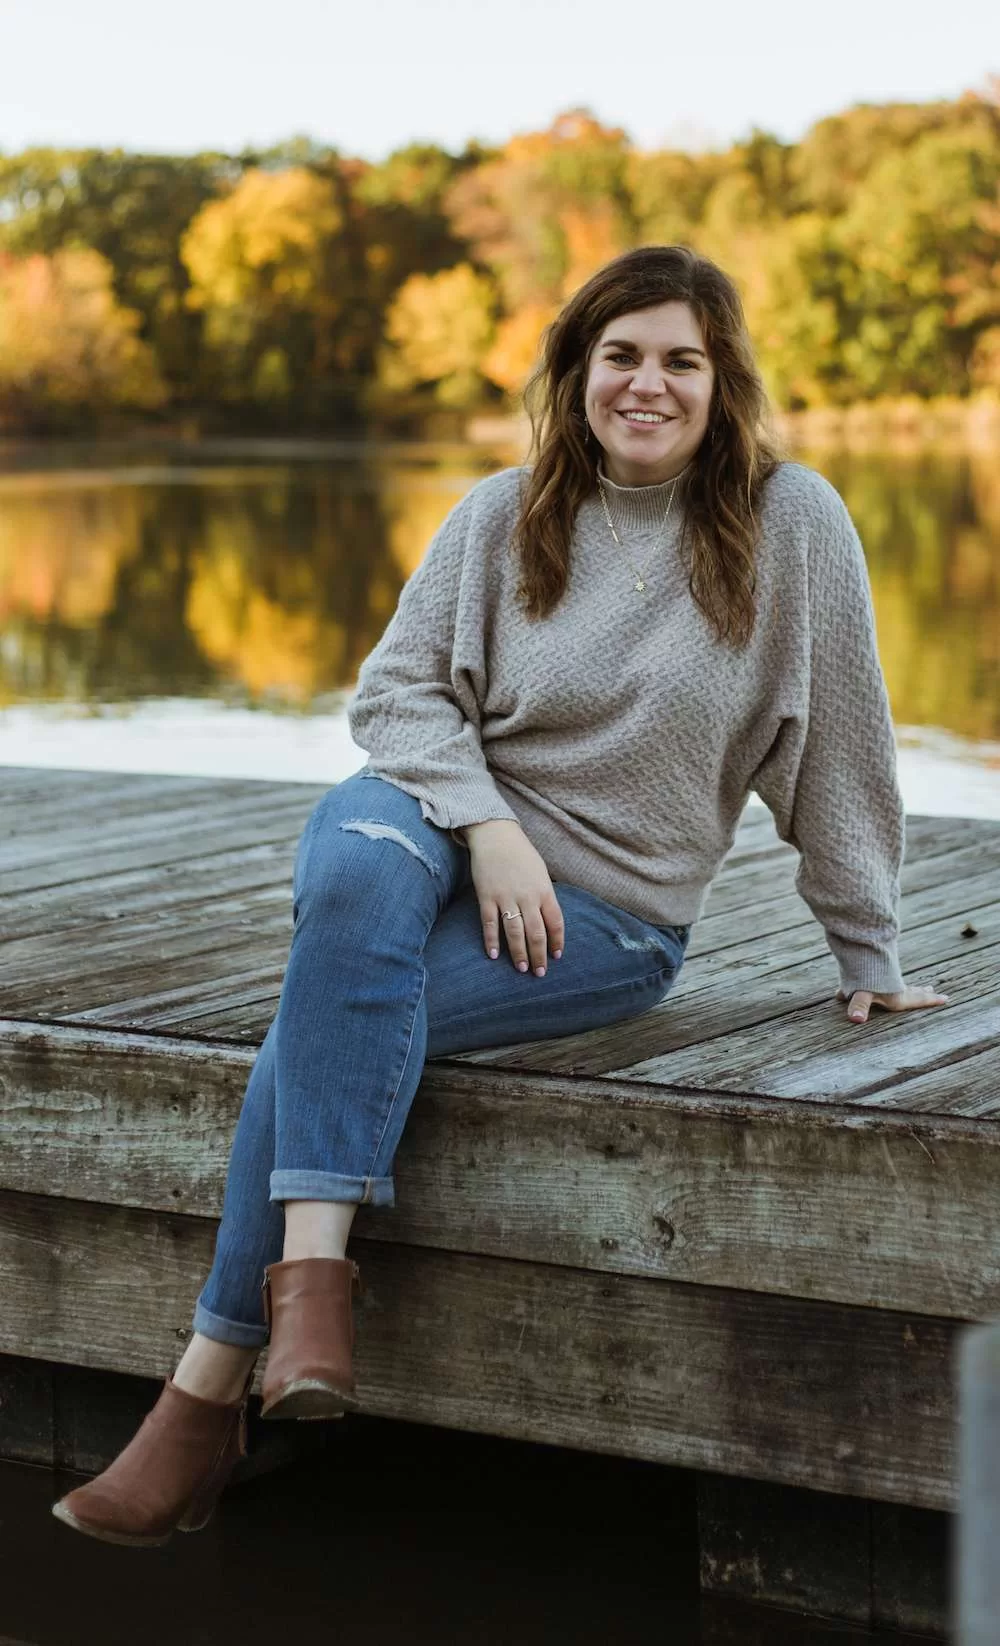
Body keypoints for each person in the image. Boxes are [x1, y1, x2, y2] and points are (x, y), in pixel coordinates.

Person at [52, 243, 948, 1546]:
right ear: (578, 368)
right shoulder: (503, 510)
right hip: (433, 831)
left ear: (722, 379)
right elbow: (396, 695)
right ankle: (308, 1287)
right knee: (355, 859)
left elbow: (843, 748)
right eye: (621, 353)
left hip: (609, 919)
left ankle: (202, 1392)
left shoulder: (791, 521)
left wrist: (867, 947)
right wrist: (488, 826)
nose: (648, 383)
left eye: (680, 359)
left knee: (327, 1002)